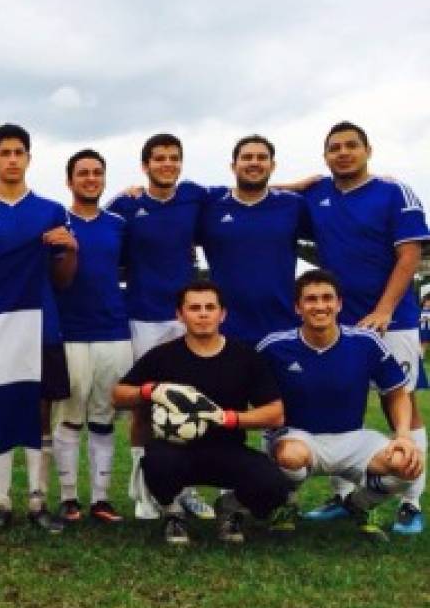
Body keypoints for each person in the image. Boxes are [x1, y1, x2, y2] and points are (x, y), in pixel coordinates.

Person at [299, 122, 430, 534]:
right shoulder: (317, 196)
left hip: (391, 321)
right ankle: (343, 497)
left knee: (403, 403)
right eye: (334, 148)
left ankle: (410, 503)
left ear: (368, 150)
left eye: (351, 146)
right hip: (337, 323)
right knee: (340, 405)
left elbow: (409, 257)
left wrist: (386, 309)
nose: (343, 153)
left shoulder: (395, 193)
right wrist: (300, 182)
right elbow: (267, 193)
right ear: (324, 157)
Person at [0, 123, 77, 534]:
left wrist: (71, 250)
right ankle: (2, 502)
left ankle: (38, 502)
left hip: (41, 326)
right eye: (4, 152)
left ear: (28, 158)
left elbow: (63, 278)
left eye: (19, 152)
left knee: (41, 414)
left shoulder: (50, 211)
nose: (12, 159)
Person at [112, 280, 289, 545]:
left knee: (274, 486)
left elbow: (275, 414)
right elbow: (118, 395)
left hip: (228, 450)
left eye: (210, 307)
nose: (203, 314)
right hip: (176, 450)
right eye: (194, 308)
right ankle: (173, 513)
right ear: (180, 315)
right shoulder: (163, 356)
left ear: (223, 314)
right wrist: (150, 391)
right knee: (157, 462)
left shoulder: (245, 357)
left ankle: (230, 508)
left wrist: (228, 418)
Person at [257, 270, 424, 540]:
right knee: (290, 457)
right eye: (311, 299)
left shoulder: (365, 342)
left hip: (353, 438)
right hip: (297, 437)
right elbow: (252, 393)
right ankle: (287, 504)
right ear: (298, 307)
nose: (320, 306)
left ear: (339, 304)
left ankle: (359, 505)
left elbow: (396, 393)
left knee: (407, 464)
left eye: (327, 298)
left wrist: (403, 434)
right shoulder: (274, 347)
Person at [107, 134, 214, 521]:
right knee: (143, 404)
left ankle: (185, 489)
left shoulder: (195, 196)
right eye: (159, 158)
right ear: (145, 165)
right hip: (142, 315)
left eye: (173, 158)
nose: (167, 164)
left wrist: (301, 184)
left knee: (191, 403)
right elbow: (98, 231)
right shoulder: (126, 203)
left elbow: (246, 191)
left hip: (185, 316)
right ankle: (144, 488)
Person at [52, 150, 131, 524]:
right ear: (70, 180)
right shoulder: (56, 221)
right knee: (70, 416)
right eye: (82, 173)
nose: (90, 178)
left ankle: (101, 498)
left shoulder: (118, 223)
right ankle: (69, 498)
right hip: (69, 331)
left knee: (104, 417)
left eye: (97, 173)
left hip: (114, 330)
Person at [197, 135, 309, 346]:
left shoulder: (294, 205)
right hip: (223, 329)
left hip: (282, 328)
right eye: (247, 157)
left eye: (261, 157)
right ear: (233, 166)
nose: (254, 162)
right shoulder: (209, 206)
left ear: (272, 165)